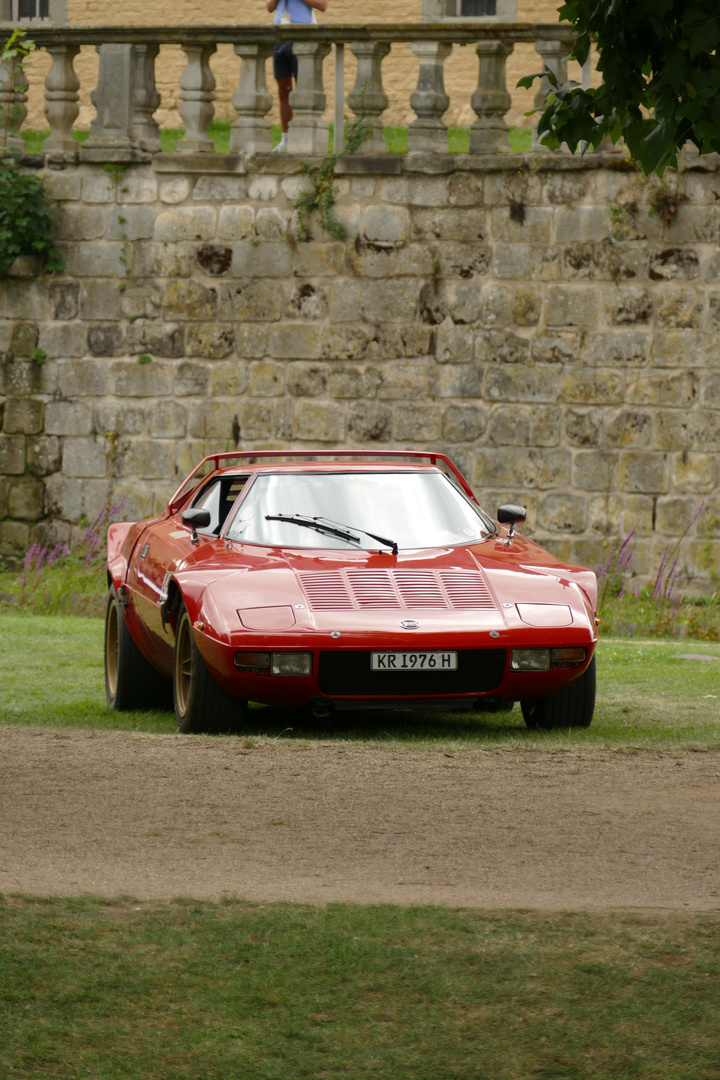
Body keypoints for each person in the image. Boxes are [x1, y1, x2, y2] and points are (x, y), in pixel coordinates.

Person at [266, 0, 328, 152]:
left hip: (302, 37)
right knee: (283, 91)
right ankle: (285, 139)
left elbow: (322, 5)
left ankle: (305, 135)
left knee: (303, 89)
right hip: (280, 37)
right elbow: (269, 7)